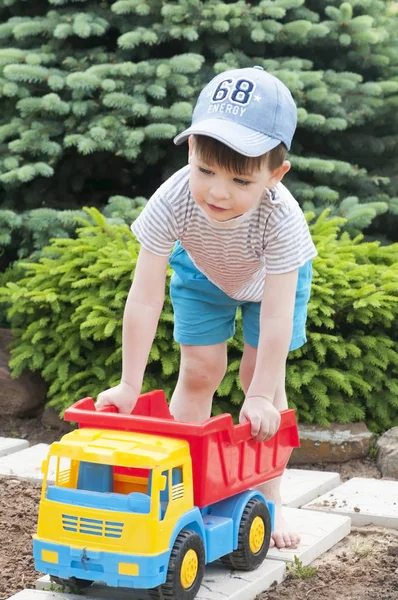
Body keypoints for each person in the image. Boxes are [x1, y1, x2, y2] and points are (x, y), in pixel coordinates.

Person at [96, 65, 317, 549]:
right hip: (203, 272)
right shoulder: (173, 198)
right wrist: (130, 384)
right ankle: (188, 492)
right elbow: (145, 295)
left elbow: (278, 314)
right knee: (199, 371)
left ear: (275, 175)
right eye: (206, 170)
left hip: (271, 284)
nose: (218, 192)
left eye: (240, 180)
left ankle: (269, 500)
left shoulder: (282, 219)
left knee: (260, 379)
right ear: (192, 150)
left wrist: (258, 396)